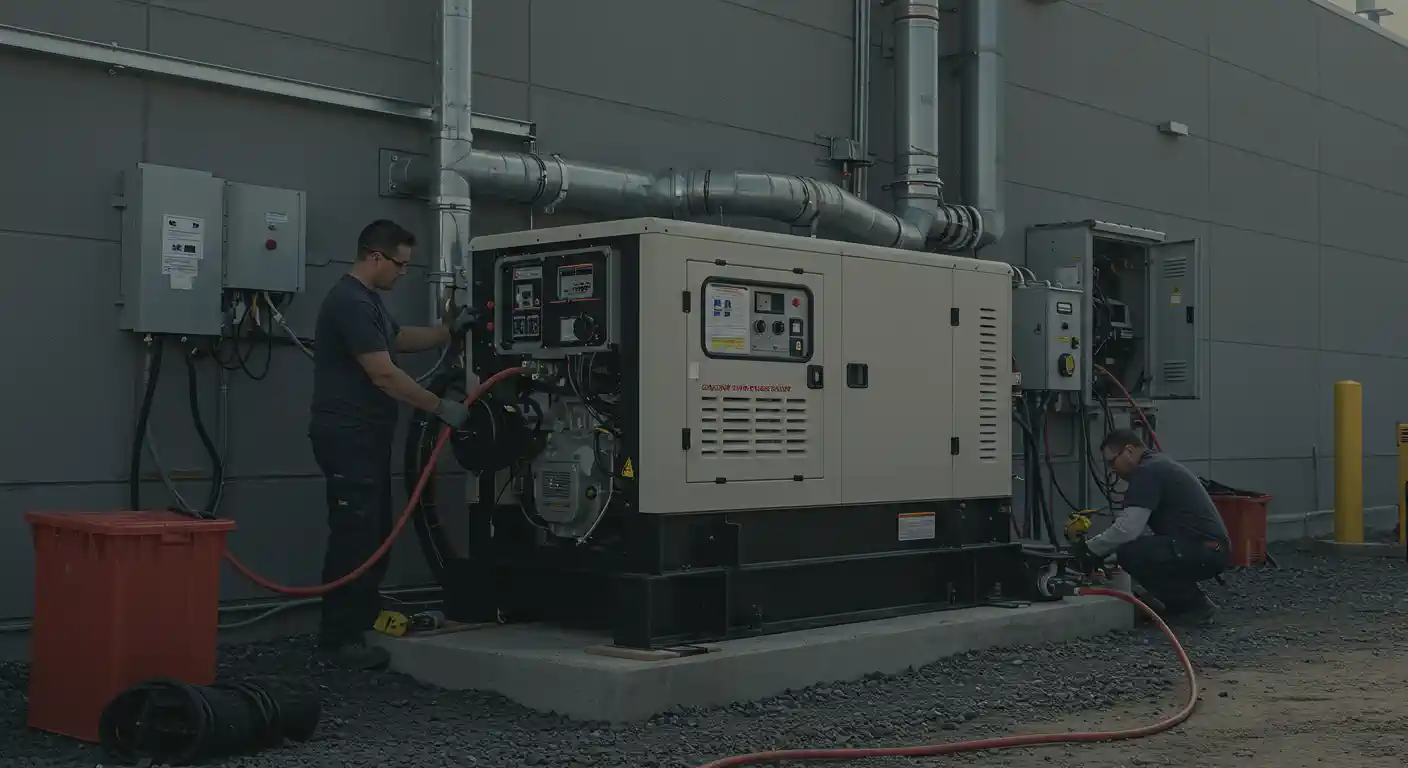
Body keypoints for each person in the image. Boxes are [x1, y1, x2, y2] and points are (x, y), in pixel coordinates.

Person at [307, 218, 474, 669]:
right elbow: (384, 374)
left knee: (373, 528)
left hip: (365, 437)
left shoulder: (370, 304)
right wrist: (442, 407)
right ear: (375, 257)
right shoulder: (349, 303)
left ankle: (361, 619)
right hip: (348, 436)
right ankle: (338, 638)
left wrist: (447, 331)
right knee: (354, 532)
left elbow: (398, 340)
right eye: (399, 264)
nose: (403, 273)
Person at [1070, 429, 1231, 626]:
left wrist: (1088, 551)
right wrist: (1105, 554)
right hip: (1208, 548)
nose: (1111, 469)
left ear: (1128, 451)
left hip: (1204, 549)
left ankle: (1195, 608)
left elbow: (1127, 529)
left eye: (1112, 461)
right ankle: (1173, 607)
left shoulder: (1147, 471)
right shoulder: (1157, 464)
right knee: (1135, 551)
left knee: (1133, 553)